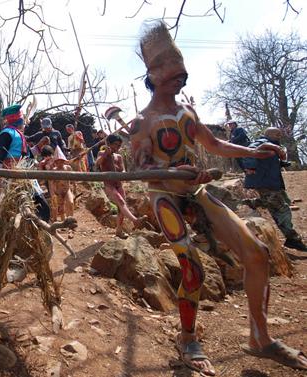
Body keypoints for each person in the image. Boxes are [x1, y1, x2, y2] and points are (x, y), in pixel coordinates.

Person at [130, 21, 307, 375]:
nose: (181, 77)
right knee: (192, 268)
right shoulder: (142, 122)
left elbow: (214, 145)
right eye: (173, 71)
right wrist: (172, 172)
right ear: (154, 73)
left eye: (182, 72)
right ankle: (188, 340)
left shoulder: (187, 114)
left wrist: (255, 152)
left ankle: (260, 337)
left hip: (196, 192)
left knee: (256, 253)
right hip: (165, 197)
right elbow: (143, 170)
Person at [242, 127, 306, 251]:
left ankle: (254, 202)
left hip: (270, 182)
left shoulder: (271, 146)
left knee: (278, 206)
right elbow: (249, 153)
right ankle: (293, 239)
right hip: (265, 183)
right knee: (282, 210)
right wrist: (251, 166)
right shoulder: (261, 143)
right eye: (277, 135)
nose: (279, 137)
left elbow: (265, 160)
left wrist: (280, 162)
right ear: (269, 135)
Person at [95, 134, 143, 239]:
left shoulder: (119, 156)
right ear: (109, 143)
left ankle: (119, 231)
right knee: (121, 202)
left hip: (119, 185)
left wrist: (123, 173)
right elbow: (97, 163)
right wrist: (105, 155)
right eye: (115, 144)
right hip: (109, 185)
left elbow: (123, 169)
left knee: (121, 208)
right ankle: (135, 220)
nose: (117, 147)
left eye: (119, 145)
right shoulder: (102, 153)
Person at [0, 104, 28, 168]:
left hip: (20, 168)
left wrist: (38, 147)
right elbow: (0, 153)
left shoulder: (19, 134)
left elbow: (26, 153)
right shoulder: (6, 133)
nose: (24, 122)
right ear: (19, 121)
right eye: (22, 120)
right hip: (8, 170)